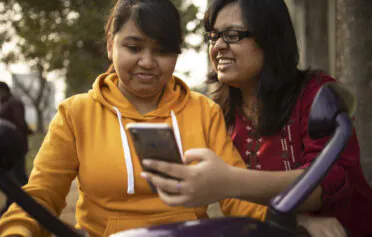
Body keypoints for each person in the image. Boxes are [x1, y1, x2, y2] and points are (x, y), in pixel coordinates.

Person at [0, 1, 276, 236]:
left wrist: (278, 227)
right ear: (111, 45)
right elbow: (41, 195)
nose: (147, 61)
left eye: (162, 51)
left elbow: (237, 197)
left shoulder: (204, 111)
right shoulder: (75, 113)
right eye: (134, 47)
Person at [139, 0, 372, 237]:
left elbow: (327, 185)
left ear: (269, 38)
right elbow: (237, 205)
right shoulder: (216, 112)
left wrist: (229, 182)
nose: (218, 46)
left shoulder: (315, 95)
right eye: (213, 36)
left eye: (232, 35)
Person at [0, 82, 31, 215]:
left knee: (19, 178)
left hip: (13, 146)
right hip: (8, 147)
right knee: (13, 178)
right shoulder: (7, 104)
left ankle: (27, 205)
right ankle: (12, 206)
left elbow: (20, 124)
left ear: (4, 90)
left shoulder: (14, 103)